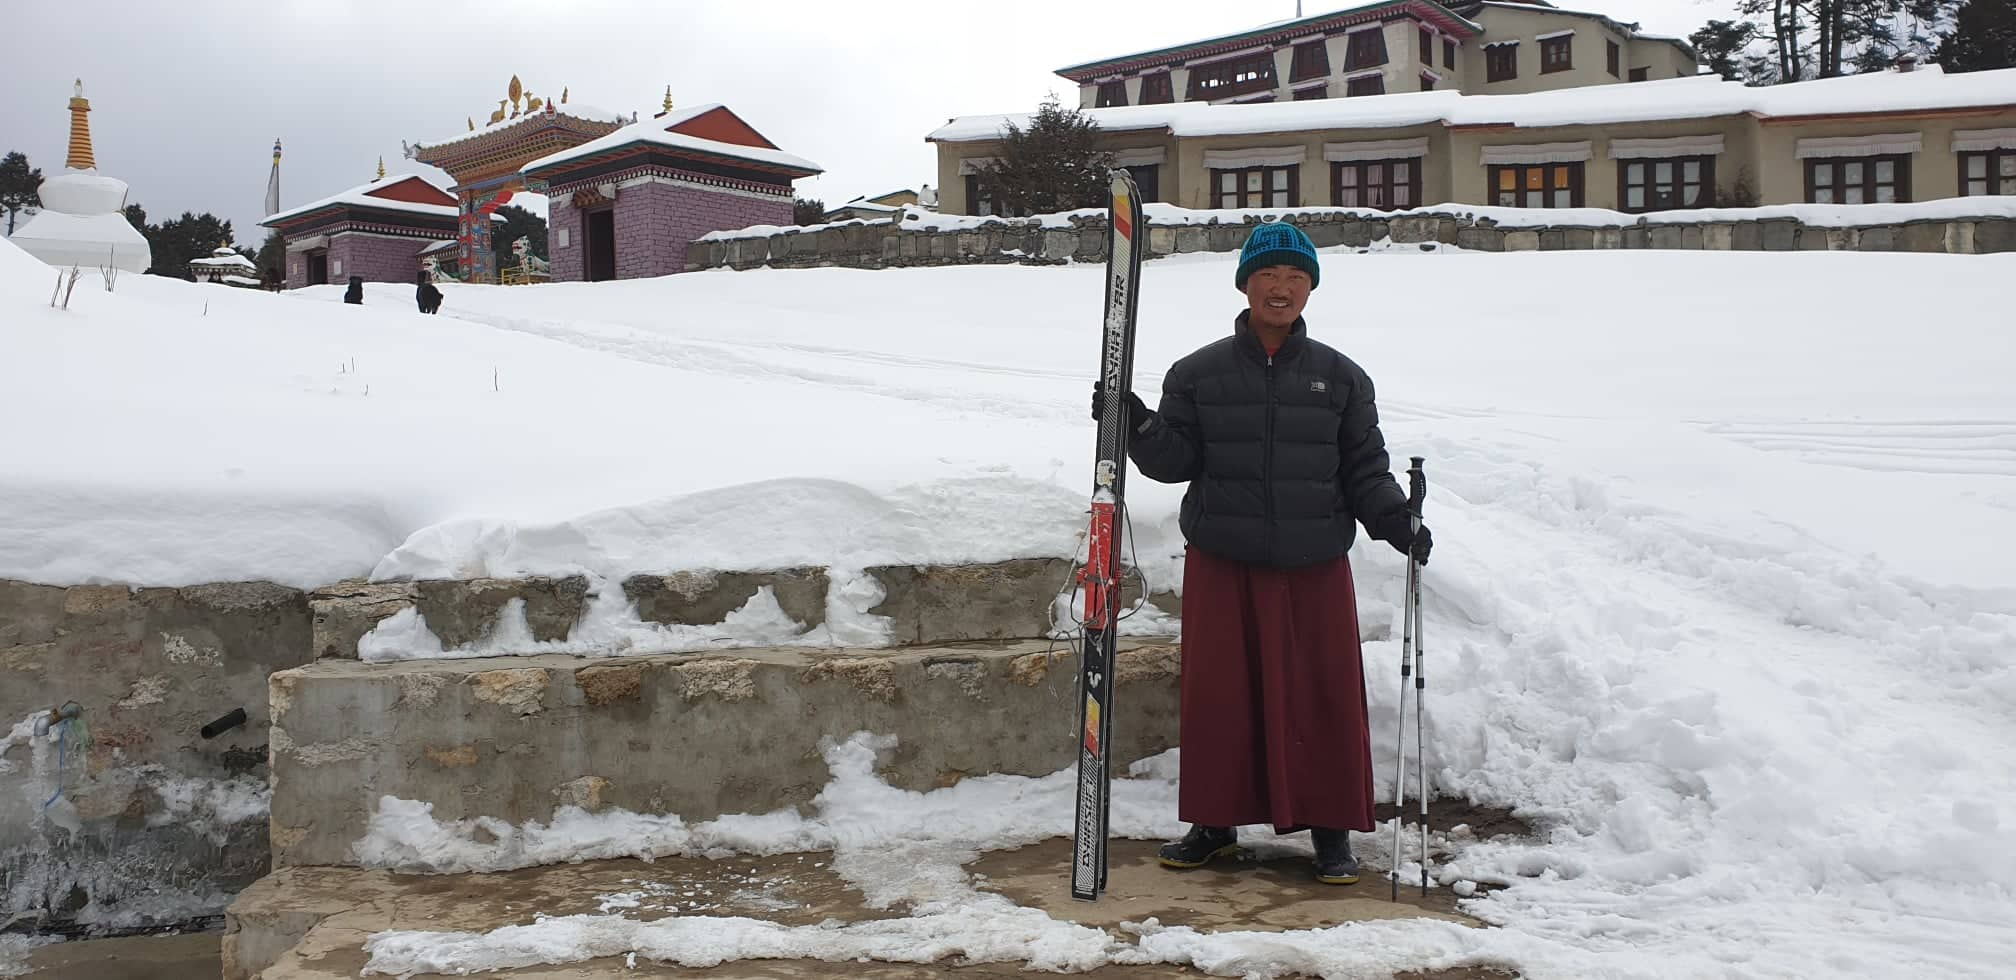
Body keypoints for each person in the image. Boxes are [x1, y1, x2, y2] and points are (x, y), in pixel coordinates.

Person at [1091, 221, 1432, 885]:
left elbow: (1364, 468)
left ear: (1311, 287)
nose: (1282, 288)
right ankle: (1215, 824)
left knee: (1322, 699)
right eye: (1269, 275)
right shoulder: (1199, 374)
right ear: (1246, 283)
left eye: (1295, 277)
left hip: (1314, 566)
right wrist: (1133, 423)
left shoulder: (1341, 379)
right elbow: (1175, 460)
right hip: (1225, 561)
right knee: (1224, 698)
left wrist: (1395, 519)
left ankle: (1331, 832)